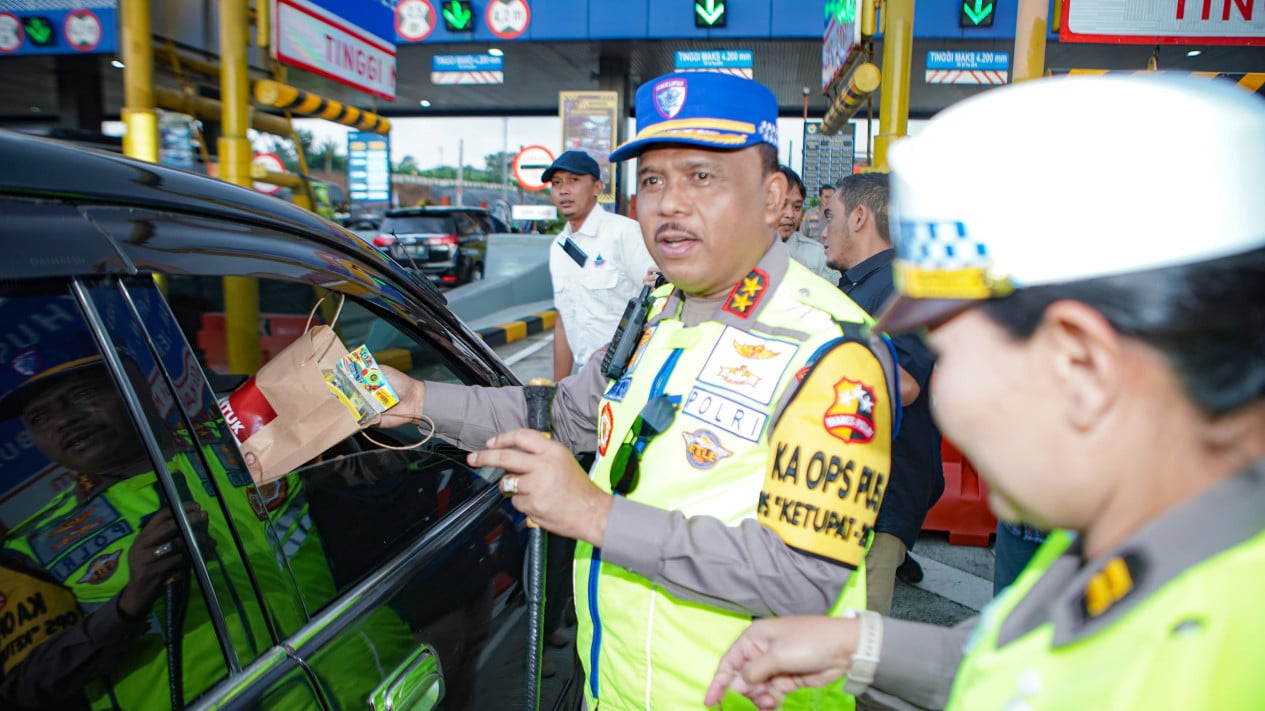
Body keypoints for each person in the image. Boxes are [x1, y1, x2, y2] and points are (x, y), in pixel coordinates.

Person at [705, 75, 1265, 710]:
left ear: (1080, 364)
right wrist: (856, 647)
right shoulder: (1142, 532)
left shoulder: (1205, 658)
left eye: (948, 357)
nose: (949, 403)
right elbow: (1021, 657)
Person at [379, 71, 897, 710]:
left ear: (770, 198)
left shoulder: (832, 349)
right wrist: (414, 399)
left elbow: (801, 580)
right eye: (653, 181)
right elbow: (563, 413)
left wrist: (594, 515)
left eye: (701, 176)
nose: (669, 205)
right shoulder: (657, 313)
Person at [823, 172, 943, 615]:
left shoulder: (899, 285)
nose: (822, 229)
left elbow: (905, 385)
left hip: (879, 499)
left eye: (828, 216)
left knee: (853, 650)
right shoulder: (860, 284)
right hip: (850, 492)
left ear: (859, 217)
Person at [545, 149, 656, 382]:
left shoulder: (624, 233)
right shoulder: (558, 247)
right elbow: (563, 323)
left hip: (630, 374)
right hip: (586, 377)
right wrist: (557, 390)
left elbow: (659, 300)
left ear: (597, 187)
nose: (563, 189)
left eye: (573, 180)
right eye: (556, 183)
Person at [778, 165, 842, 284]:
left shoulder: (818, 257)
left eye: (797, 207)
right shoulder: (740, 254)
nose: (790, 214)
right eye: (781, 205)